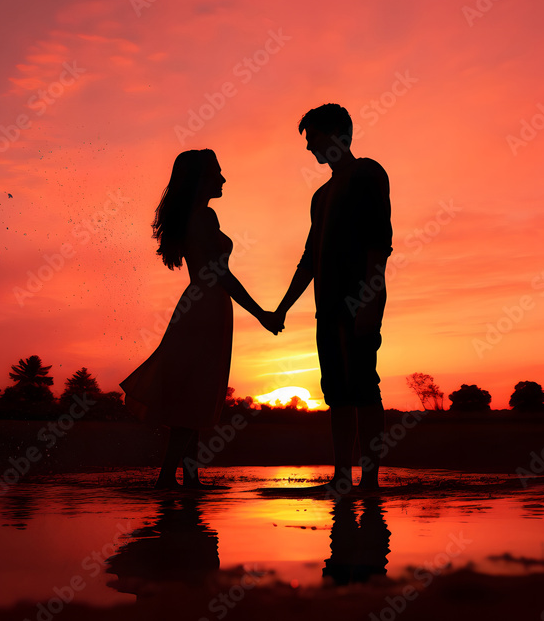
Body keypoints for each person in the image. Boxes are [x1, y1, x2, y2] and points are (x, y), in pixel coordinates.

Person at [121, 149, 283, 489]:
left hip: (199, 307)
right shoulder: (205, 217)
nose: (223, 179)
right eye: (217, 173)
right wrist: (262, 315)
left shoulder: (195, 216)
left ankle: (189, 475)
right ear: (201, 179)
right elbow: (222, 275)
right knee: (193, 398)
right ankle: (168, 476)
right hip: (207, 309)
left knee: (191, 396)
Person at [274, 104, 393, 495]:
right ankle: (342, 476)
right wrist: (284, 306)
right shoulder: (320, 195)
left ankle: (370, 480)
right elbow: (310, 259)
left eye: (313, 139)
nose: (309, 148)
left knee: (363, 386)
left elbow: (379, 245)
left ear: (336, 135)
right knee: (337, 391)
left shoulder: (367, 173)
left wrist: (370, 303)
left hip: (359, 300)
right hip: (325, 306)